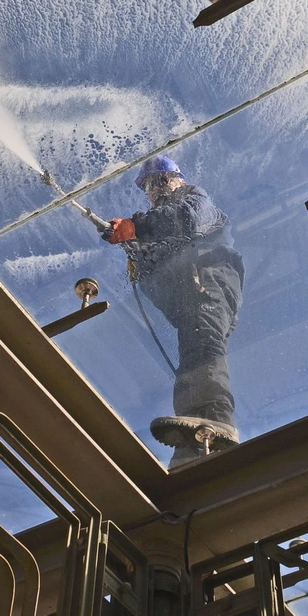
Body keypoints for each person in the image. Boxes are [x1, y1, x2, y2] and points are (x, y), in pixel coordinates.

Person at [101, 155, 244, 465]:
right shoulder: (164, 227)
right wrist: (136, 249)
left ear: (179, 179)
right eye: (148, 186)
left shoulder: (197, 200)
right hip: (190, 302)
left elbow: (186, 220)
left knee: (206, 348)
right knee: (190, 363)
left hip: (209, 286)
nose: (155, 189)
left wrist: (136, 226)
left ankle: (219, 421)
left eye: (161, 180)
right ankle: (192, 439)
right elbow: (159, 264)